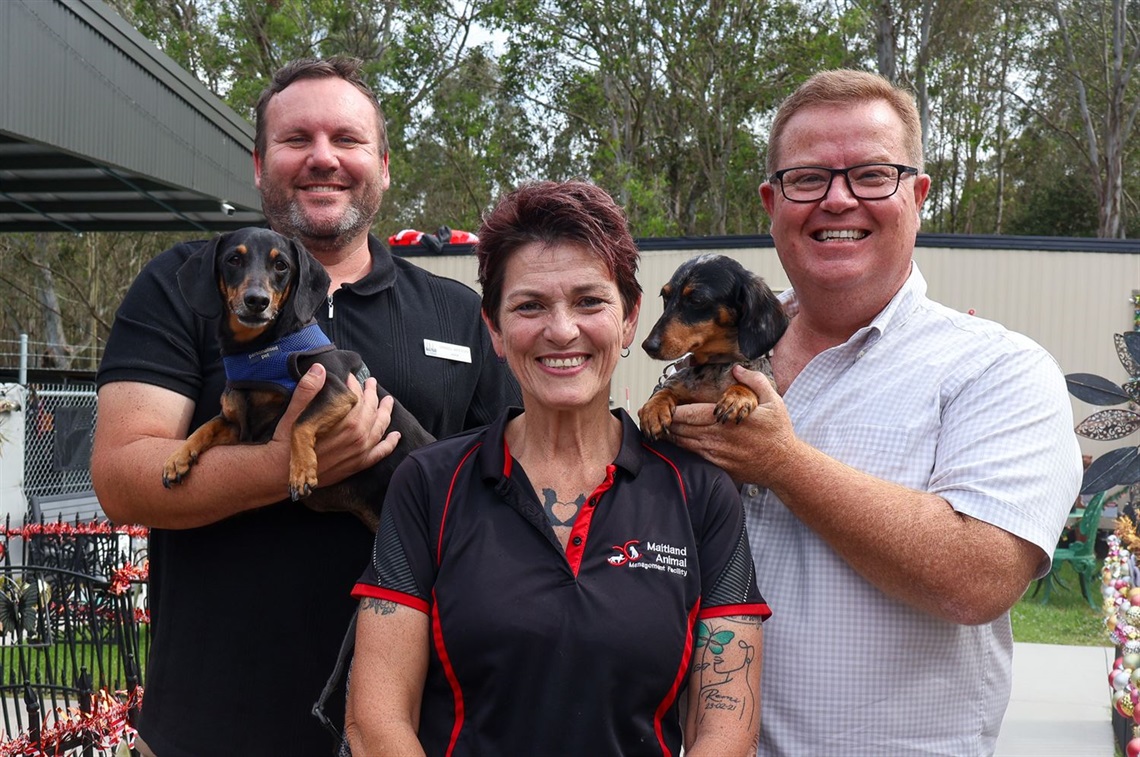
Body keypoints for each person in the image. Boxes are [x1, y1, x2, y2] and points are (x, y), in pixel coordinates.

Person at [91, 57, 520, 757]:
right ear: (259, 164)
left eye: (347, 140)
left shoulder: (459, 313)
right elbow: (120, 476)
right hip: (211, 731)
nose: (324, 158)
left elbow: (507, 497)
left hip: (412, 732)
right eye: (297, 140)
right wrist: (281, 466)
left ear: (381, 164)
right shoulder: (183, 285)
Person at [666, 70, 1083, 756]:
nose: (837, 199)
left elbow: (976, 577)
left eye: (871, 175)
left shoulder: (998, 370)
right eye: (807, 179)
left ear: (917, 195)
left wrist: (782, 462)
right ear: (771, 202)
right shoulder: (711, 361)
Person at [344, 180, 771, 756]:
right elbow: (376, 723)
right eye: (529, 305)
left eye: (590, 302)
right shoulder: (428, 482)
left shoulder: (702, 493)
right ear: (493, 328)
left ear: (628, 320)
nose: (562, 330)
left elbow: (727, 730)